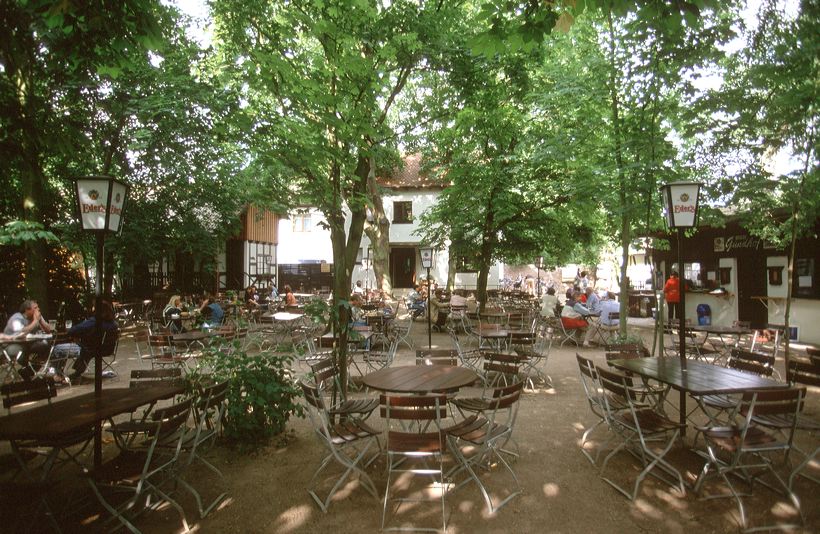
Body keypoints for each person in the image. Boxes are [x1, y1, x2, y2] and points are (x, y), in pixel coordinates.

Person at [66, 300, 119, 381]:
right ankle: (78, 372)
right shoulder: (114, 324)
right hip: (109, 350)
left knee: (84, 349)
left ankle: (77, 373)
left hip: (94, 349)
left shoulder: (94, 321)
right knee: (87, 349)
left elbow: (73, 330)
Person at [3, 300, 53, 380]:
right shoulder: (17, 318)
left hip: (27, 344)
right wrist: (35, 321)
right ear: (27, 310)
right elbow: (21, 332)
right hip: (10, 345)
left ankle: (28, 370)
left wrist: (40, 321)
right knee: (22, 352)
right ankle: (24, 369)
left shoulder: (37, 316)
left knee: (45, 345)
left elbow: (49, 330)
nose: (38, 309)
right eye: (35, 308)